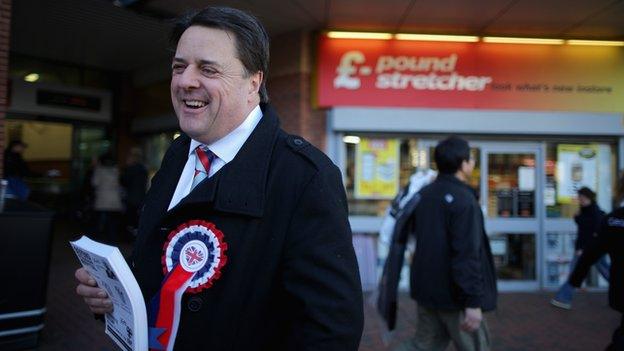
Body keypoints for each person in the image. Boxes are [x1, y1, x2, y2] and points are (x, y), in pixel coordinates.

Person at [75, 6, 363, 351]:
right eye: (179, 67)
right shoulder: (178, 154)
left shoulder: (304, 177)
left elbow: (331, 331)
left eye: (208, 69)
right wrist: (117, 294)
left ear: (253, 83)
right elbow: (161, 267)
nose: (185, 81)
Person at [394, 136, 497, 351]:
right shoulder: (464, 200)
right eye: (471, 159)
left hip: (426, 290)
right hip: (456, 297)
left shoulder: (423, 195)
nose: (473, 163)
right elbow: (467, 253)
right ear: (463, 163)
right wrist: (472, 302)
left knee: (422, 346)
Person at [568, 175, 624, 350]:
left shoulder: (613, 219)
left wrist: (575, 279)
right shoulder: (613, 219)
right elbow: (593, 250)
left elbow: (593, 251)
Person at [551, 187, 608, 310]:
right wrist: (577, 218)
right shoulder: (586, 210)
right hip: (590, 248)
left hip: (589, 249)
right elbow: (584, 228)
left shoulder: (594, 212)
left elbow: (593, 232)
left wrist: (583, 248)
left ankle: (563, 298)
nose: (579, 199)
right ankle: (563, 298)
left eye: (580, 197)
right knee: (606, 271)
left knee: (575, 272)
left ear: (587, 197)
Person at [91, 152, 123, 244]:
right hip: (114, 199)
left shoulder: (99, 170)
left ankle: (100, 240)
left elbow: (94, 183)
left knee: (101, 221)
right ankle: (112, 239)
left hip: (103, 199)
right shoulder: (116, 169)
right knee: (112, 222)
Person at [120, 147, 148, 239]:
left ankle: (129, 237)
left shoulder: (131, 169)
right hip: (141, 197)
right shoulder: (143, 169)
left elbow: (124, 181)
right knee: (137, 219)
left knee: (130, 220)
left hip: (131, 198)